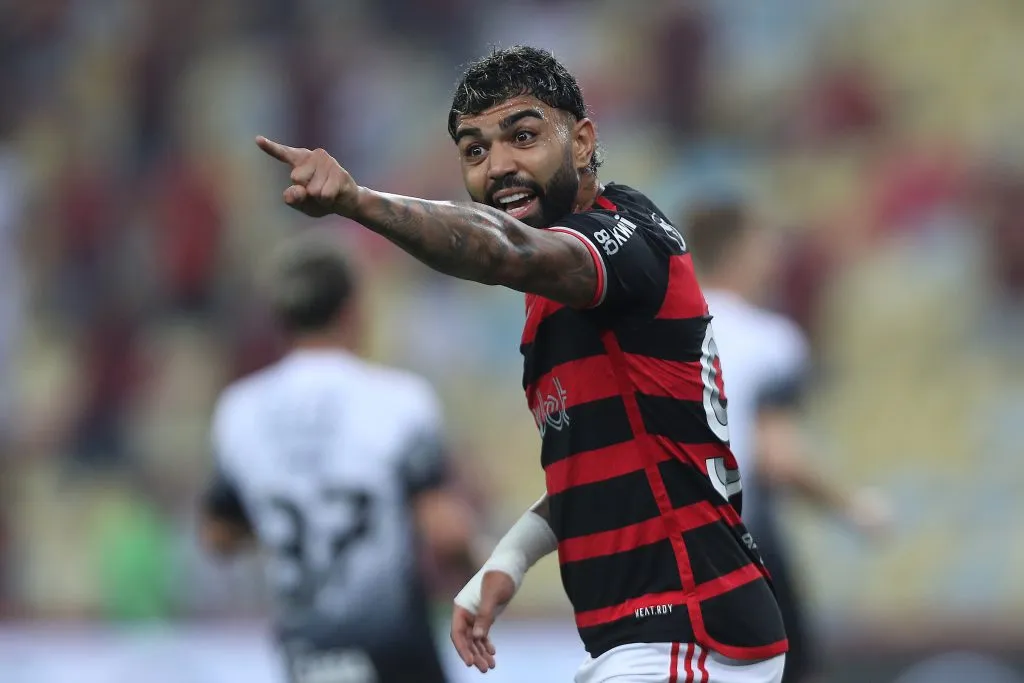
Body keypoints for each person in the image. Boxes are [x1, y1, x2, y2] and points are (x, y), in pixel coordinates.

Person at [256, 46, 788, 683]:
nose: (500, 167)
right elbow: (599, 466)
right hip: (656, 639)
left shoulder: (621, 241)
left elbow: (502, 250)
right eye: (475, 150)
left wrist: (357, 202)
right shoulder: (557, 296)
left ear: (583, 141)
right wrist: (506, 561)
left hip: (689, 634)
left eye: (524, 136)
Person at [199, 231, 477, 683]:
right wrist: (481, 565)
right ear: (353, 311)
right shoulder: (400, 402)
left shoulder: (239, 412)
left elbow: (219, 535)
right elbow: (444, 532)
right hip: (396, 656)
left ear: (281, 318)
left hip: (306, 656)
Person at [685, 199, 892, 683]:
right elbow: (776, 454)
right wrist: (854, 507)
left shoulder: (650, 331)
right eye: (763, 246)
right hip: (735, 543)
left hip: (655, 544)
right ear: (738, 252)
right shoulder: (769, 339)